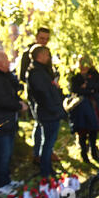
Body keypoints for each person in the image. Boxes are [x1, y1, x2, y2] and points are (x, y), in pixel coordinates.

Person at [18, 27, 59, 165]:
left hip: (48, 91)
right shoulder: (28, 54)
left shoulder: (47, 54)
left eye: (47, 39)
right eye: (42, 38)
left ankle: (47, 151)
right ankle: (38, 153)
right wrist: (40, 84)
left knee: (49, 125)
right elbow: (23, 76)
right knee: (40, 123)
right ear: (36, 37)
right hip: (35, 95)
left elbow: (50, 72)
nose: (44, 41)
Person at [26, 45, 66, 178]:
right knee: (47, 144)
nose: (48, 57)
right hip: (48, 113)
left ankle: (47, 169)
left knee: (48, 143)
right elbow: (43, 94)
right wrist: (55, 110)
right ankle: (45, 171)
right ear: (40, 56)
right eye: (46, 55)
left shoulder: (41, 70)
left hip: (49, 111)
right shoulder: (36, 72)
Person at [0, 51, 28, 195]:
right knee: (2, 154)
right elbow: (2, 100)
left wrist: (10, 74)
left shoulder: (5, 76)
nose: (9, 62)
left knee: (7, 154)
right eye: (7, 60)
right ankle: (0, 185)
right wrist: (19, 106)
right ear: (0, 63)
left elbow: (17, 87)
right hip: (0, 123)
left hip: (8, 122)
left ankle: (6, 181)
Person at [68, 56, 99, 162]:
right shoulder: (75, 75)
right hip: (80, 106)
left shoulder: (94, 74)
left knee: (93, 129)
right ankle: (83, 152)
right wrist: (89, 90)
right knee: (82, 130)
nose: (84, 66)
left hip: (93, 105)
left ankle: (93, 151)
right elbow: (74, 89)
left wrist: (88, 86)